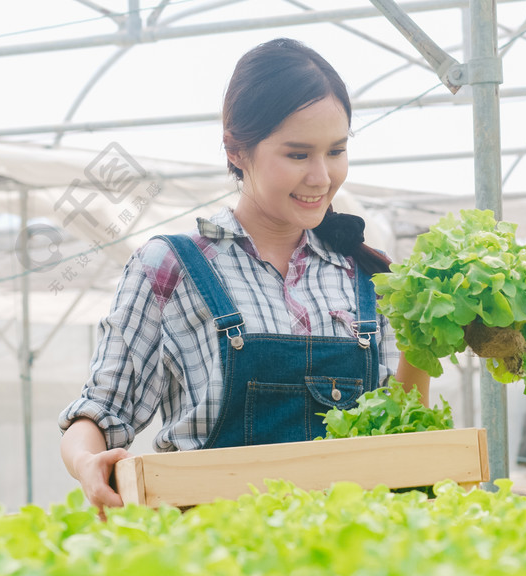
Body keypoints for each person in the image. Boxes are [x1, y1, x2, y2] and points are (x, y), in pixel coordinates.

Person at [59, 38, 430, 510]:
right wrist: (86, 462)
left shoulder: (365, 273)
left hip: (348, 547)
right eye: (298, 155)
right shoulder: (172, 268)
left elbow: (398, 434)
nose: (321, 176)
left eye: (336, 151)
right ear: (236, 151)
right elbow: (100, 412)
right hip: (214, 548)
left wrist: (424, 343)